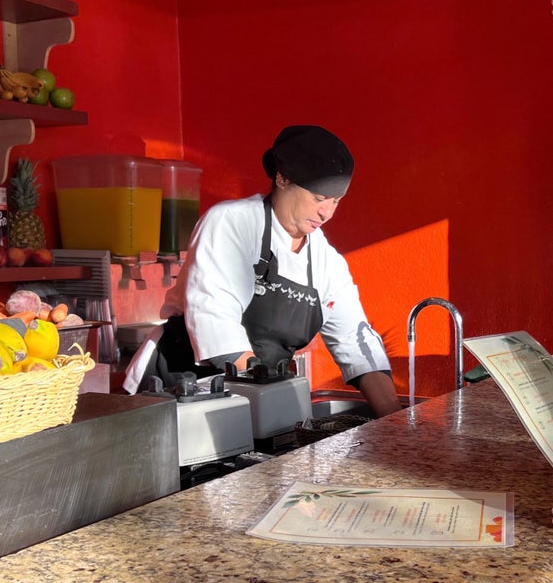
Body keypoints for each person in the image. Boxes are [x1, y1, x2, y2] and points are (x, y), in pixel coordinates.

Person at [124, 125, 401, 417]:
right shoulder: (231, 223)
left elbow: (356, 345)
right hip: (177, 394)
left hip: (256, 401)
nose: (327, 213)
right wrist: (283, 405)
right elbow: (218, 329)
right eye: (319, 198)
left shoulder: (326, 262)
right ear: (282, 178)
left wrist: (398, 425)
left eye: (336, 201)